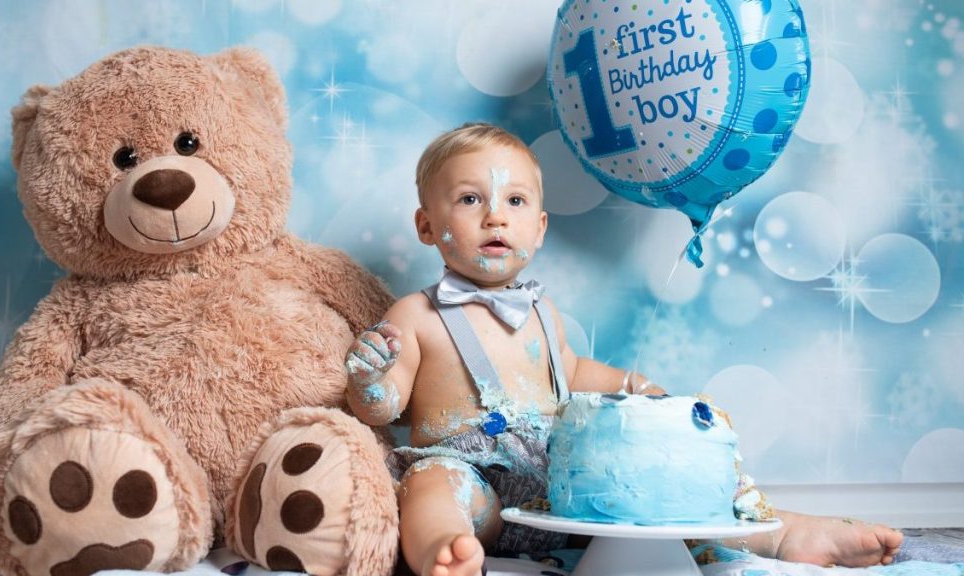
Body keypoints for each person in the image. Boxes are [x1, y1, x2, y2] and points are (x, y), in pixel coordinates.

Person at [343, 123, 903, 576]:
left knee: (659, 494)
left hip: (560, 482)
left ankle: (785, 533)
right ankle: (441, 549)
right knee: (431, 487)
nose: (496, 216)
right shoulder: (415, 316)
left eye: (514, 200)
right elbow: (384, 408)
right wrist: (373, 378)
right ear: (426, 224)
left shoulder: (541, 310)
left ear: (537, 230)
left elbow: (574, 371)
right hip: (476, 483)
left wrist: (631, 386)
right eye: (470, 199)